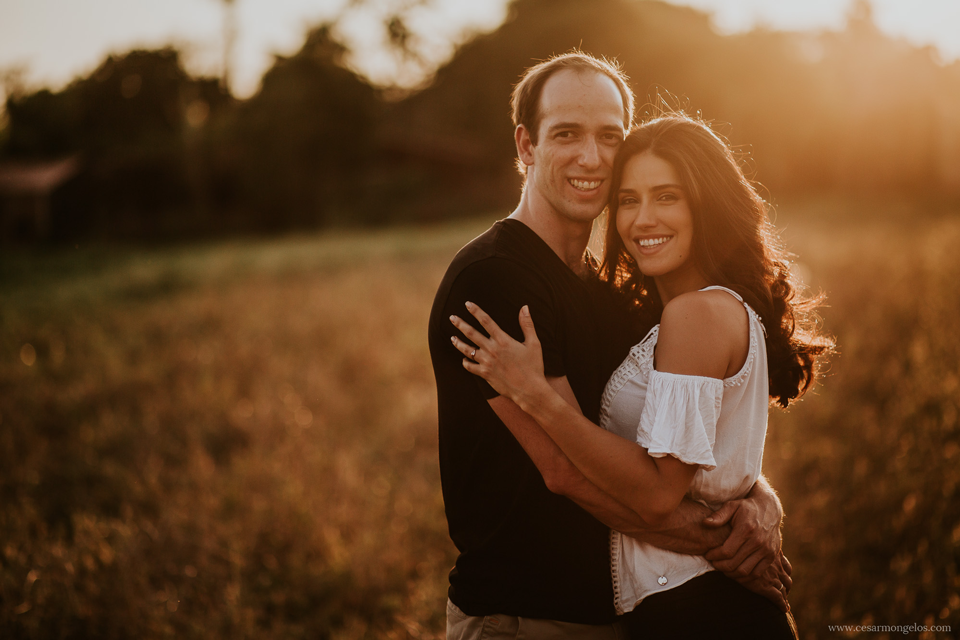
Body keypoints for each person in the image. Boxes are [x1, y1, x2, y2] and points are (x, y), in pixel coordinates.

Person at [428, 52, 791, 639]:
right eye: (566, 134)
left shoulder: (611, 293)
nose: (591, 157)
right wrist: (725, 540)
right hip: (525, 614)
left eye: (609, 136)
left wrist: (757, 498)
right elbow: (564, 469)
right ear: (526, 145)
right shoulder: (494, 281)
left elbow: (680, 440)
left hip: (619, 614)